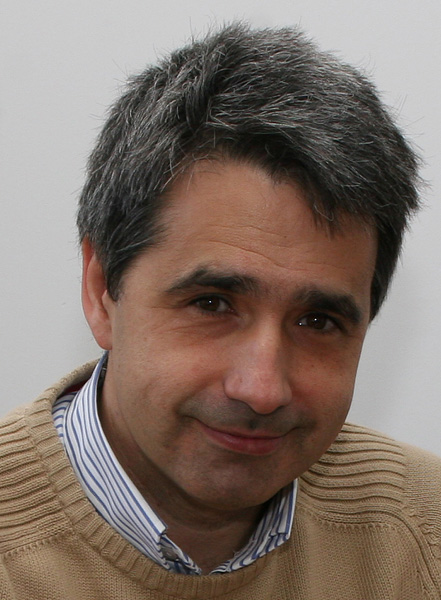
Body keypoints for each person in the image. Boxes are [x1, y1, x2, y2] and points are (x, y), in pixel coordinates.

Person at [0, 22, 440, 600]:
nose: (262, 389)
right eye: (212, 304)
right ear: (101, 288)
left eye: (317, 321)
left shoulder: (424, 536)